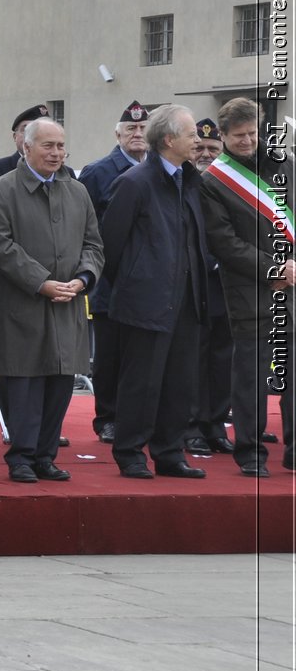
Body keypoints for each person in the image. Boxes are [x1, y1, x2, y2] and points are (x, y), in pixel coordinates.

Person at [0, 118, 103, 483]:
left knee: (59, 382)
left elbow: (94, 244)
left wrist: (83, 279)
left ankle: (46, 456)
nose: (56, 153)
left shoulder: (77, 191)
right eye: (48, 146)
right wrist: (42, 282)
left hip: (67, 304)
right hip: (23, 305)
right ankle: (21, 456)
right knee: (24, 383)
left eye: (61, 146)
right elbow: (0, 246)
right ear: (26, 147)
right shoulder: (2, 190)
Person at [101, 104, 212, 480]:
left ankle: (169, 452)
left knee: (179, 382)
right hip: (145, 302)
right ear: (168, 140)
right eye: (191, 134)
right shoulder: (135, 183)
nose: (198, 141)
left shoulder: (189, 180)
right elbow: (111, 247)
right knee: (141, 382)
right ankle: (130, 452)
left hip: (187, 300)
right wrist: (137, 283)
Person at [200, 98, 294, 475]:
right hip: (248, 288)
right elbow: (224, 242)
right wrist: (275, 268)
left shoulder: (282, 164)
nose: (247, 141)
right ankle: (251, 452)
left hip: (291, 283)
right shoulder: (213, 182)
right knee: (251, 377)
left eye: (253, 133)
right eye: (238, 136)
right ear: (222, 136)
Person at [77, 99, 151, 444]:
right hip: (110, 279)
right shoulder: (98, 172)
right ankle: (107, 417)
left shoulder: (158, 170)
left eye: (142, 129)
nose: (137, 134)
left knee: (140, 356)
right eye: (131, 129)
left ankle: (137, 418)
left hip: (147, 280)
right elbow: (87, 229)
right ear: (117, 134)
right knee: (108, 354)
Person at [188, 117, 234, 455]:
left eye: (212, 148)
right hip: (190, 285)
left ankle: (215, 426)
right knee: (192, 360)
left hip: (227, 285)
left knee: (222, 359)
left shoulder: (233, 184)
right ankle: (189, 427)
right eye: (199, 148)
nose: (205, 153)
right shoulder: (181, 182)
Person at [0, 103, 52, 193]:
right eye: (26, 129)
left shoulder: (63, 173)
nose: (32, 135)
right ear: (15, 136)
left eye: (39, 130)